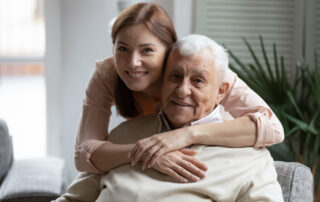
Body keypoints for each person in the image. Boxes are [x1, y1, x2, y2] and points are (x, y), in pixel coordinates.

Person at [55, 34, 283, 202]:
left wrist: (184, 136)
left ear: (221, 92)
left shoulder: (251, 158)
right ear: (161, 83)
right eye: (175, 77)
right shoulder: (124, 134)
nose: (183, 90)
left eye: (198, 81)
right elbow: (73, 199)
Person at [76, 2, 284, 177]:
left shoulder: (202, 71)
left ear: (169, 52)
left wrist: (187, 135)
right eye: (122, 49)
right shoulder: (107, 74)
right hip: (149, 152)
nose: (133, 63)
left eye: (147, 50)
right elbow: (83, 154)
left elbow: (273, 128)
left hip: (207, 150)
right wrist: (148, 152)